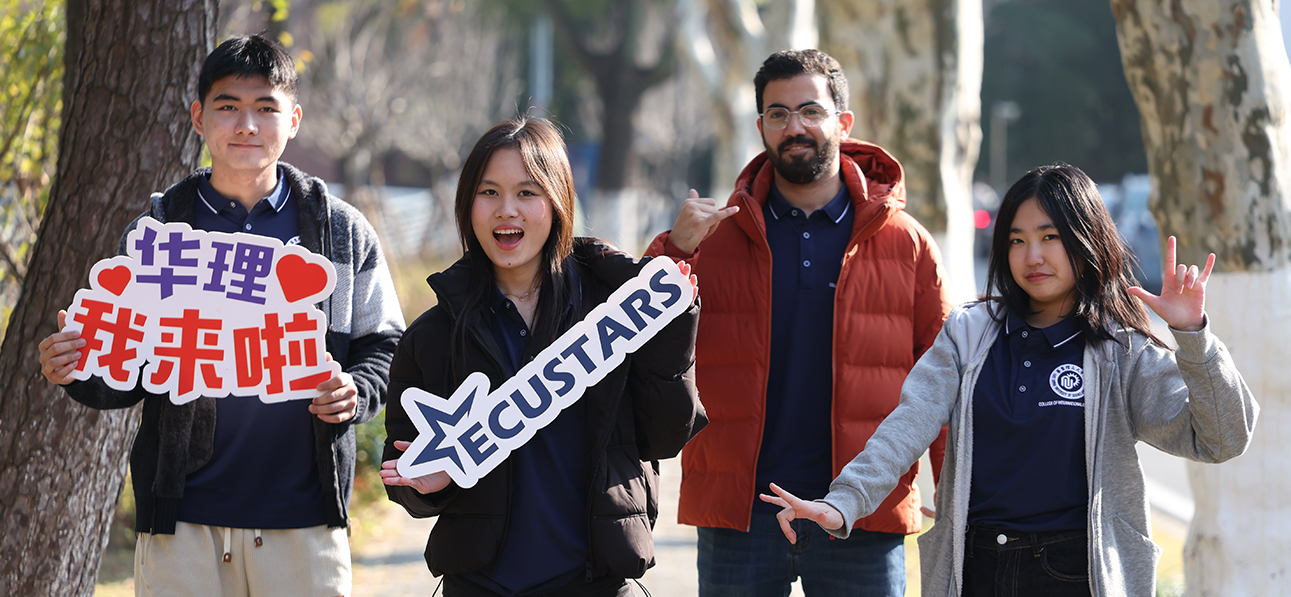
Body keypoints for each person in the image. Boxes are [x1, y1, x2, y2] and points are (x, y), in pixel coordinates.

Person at [760, 164, 1259, 597]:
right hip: (977, 567)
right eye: (1017, 241)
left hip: (1077, 571)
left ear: (1086, 238)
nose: (1032, 256)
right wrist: (843, 502)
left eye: (1049, 237)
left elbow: (1222, 438)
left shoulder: (1120, 348)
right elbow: (907, 426)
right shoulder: (969, 331)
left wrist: (1193, 335)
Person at [36, 35, 405, 596]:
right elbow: (124, 368)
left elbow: (385, 344)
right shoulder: (159, 233)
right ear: (198, 118)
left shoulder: (341, 231)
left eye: (266, 108)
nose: (246, 125)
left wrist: (356, 392)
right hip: (183, 519)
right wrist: (75, 366)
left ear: (294, 120)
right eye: (228, 106)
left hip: (304, 517)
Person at [644, 49, 952, 596]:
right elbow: (637, 334)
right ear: (761, 126)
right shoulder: (712, 239)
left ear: (843, 122)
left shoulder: (907, 244)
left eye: (811, 111)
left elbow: (945, 380)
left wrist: (954, 491)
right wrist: (675, 251)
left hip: (862, 507)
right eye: (778, 114)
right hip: (741, 512)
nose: (795, 127)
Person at [379, 117, 707, 597]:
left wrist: (673, 333)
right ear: (467, 204)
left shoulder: (615, 310)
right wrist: (427, 485)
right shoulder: (434, 334)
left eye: (527, 192)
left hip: (595, 581)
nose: (506, 210)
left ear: (558, 201)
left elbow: (665, 437)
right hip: (481, 585)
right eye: (488, 192)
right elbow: (403, 470)